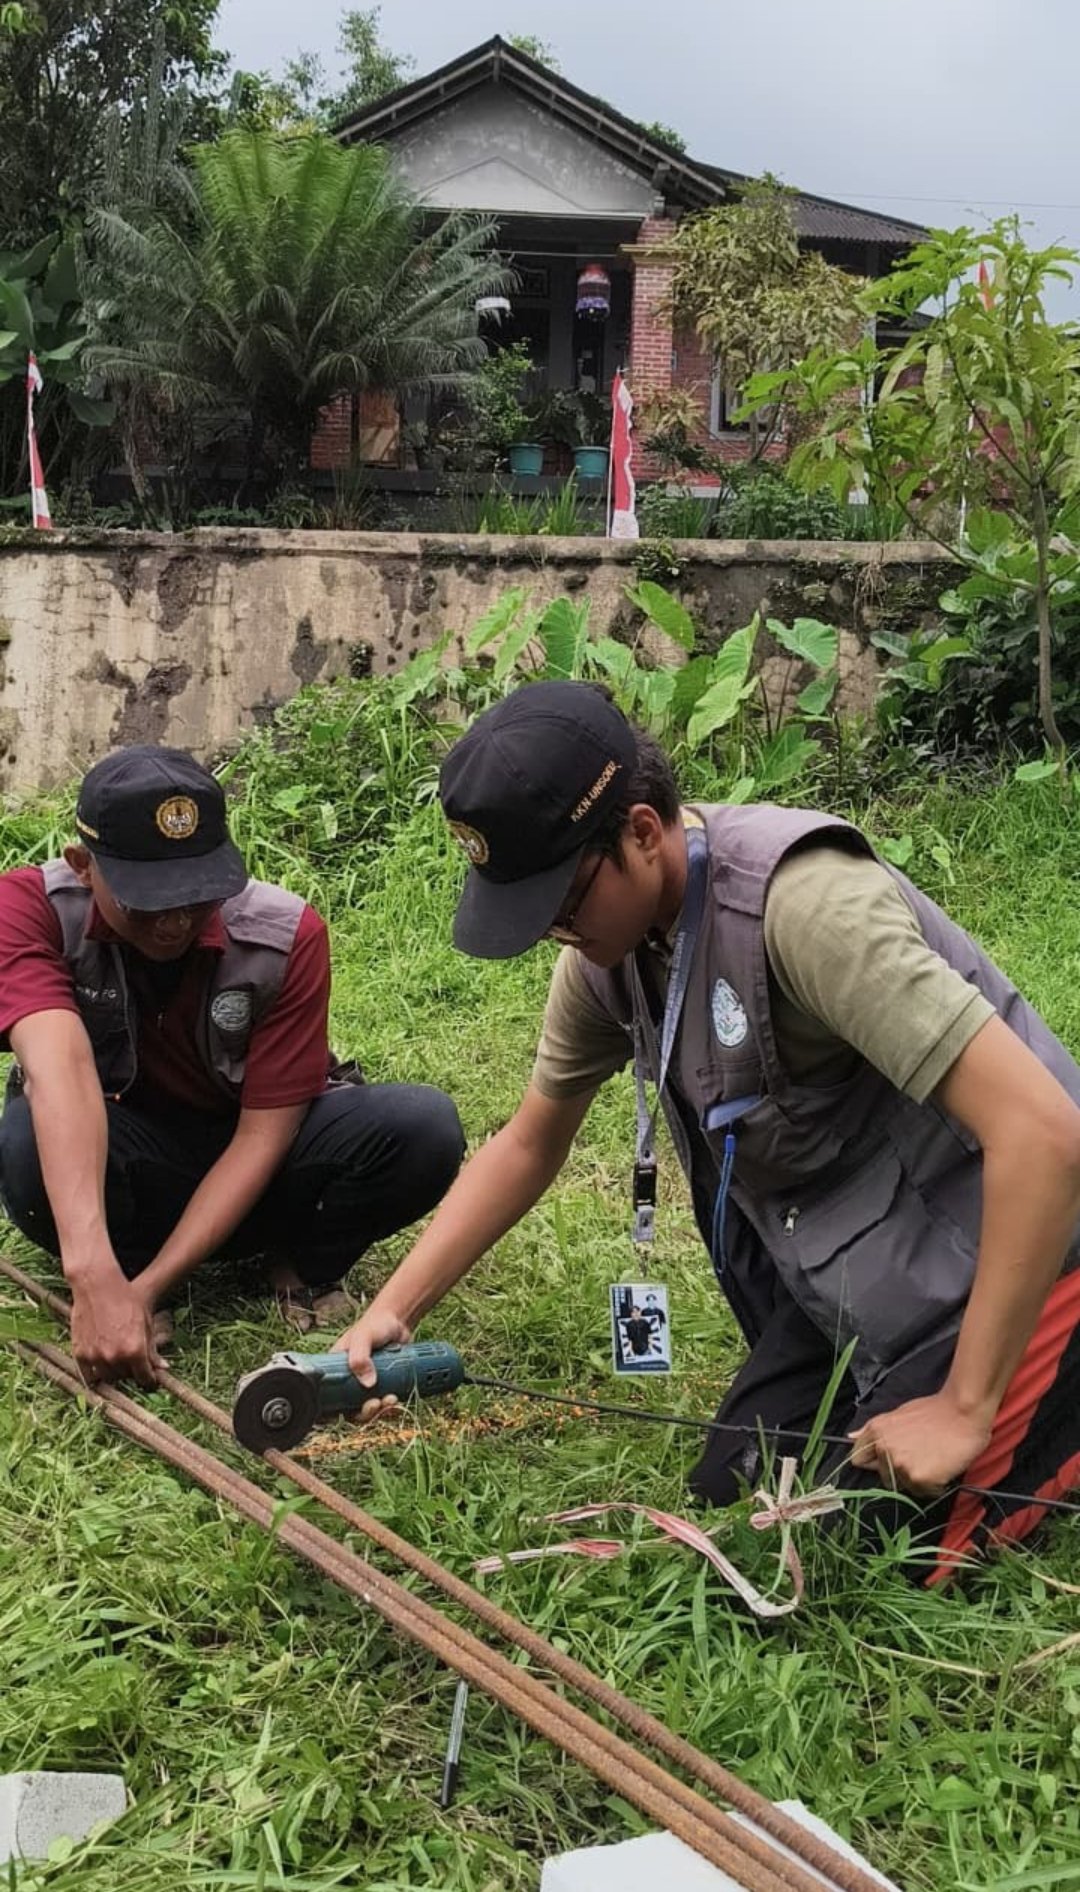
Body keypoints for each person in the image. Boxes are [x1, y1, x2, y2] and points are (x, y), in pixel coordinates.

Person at [337, 681, 1080, 1581]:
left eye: (561, 904)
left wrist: (964, 1408)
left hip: (1023, 1248)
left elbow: (1045, 1134)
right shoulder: (611, 955)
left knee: (862, 1557)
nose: (553, 936)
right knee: (743, 1505)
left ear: (642, 833)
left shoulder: (805, 911)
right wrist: (393, 1311)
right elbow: (530, 1143)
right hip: (862, 1275)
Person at [0, 745, 463, 1387]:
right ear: (84, 867)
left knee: (422, 1127)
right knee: (25, 1139)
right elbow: (61, 1070)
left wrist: (152, 1286)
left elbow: (260, 1139)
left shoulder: (285, 935)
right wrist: (94, 1273)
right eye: (147, 900)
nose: (174, 923)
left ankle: (295, 1262)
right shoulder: (28, 910)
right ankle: (124, 1271)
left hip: (259, 1164)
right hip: (129, 1158)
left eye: (195, 896)